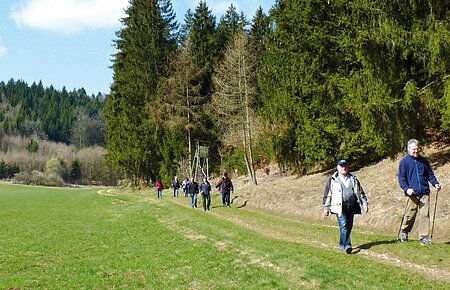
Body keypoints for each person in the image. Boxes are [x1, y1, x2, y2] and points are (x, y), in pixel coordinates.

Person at [398, 139, 441, 245]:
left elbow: (430, 174)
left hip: (424, 192)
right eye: (414, 149)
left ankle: (424, 237)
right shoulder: (404, 162)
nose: (416, 151)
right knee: (410, 215)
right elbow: (401, 178)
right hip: (412, 194)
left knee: (425, 215)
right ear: (408, 149)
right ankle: (404, 232)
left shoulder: (424, 161)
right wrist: (407, 189)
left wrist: (435, 184)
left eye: (417, 149)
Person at [323, 159, 369, 254]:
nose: (344, 168)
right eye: (342, 166)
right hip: (339, 207)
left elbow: (360, 192)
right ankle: (347, 245)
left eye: (345, 166)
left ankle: (342, 244)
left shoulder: (353, 179)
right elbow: (328, 194)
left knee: (349, 226)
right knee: (343, 225)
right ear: (338, 167)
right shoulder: (333, 179)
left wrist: (364, 203)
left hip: (351, 205)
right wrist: (326, 207)